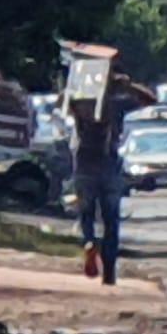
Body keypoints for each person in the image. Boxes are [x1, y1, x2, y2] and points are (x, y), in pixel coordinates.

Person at [70, 68, 155, 285]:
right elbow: (150, 99)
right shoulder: (117, 104)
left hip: (84, 165)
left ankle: (89, 241)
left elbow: (64, 101)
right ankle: (109, 274)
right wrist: (128, 85)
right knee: (111, 221)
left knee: (86, 213)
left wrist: (80, 82)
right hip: (108, 165)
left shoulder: (81, 103)